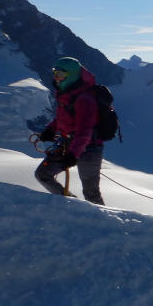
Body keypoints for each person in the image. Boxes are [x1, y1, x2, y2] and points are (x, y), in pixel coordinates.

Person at [34, 57, 105, 204]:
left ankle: (102, 221)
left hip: (88, 149)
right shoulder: (66, 94)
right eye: (54, 73)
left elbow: (84, 131)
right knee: (43, 174)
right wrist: (50, 130)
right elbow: (64, 117)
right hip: (68, 144)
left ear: (71, 75)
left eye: (60, 74)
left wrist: (73, 154)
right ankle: (72, 206)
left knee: (91, 194)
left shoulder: (84, 99)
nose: (56, 78)